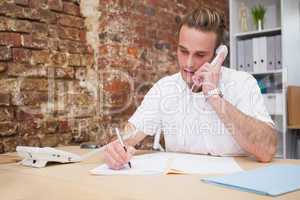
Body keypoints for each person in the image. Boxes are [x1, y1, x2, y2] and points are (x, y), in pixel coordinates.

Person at [104, 6, 277, 170]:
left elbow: (267, 150)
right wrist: (117, 150)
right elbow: (125, 138)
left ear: (219, 55)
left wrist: (214, 96)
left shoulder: (243, 83)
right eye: (183, 51)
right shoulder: (164, 88)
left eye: (200, 55)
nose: (188, 63)